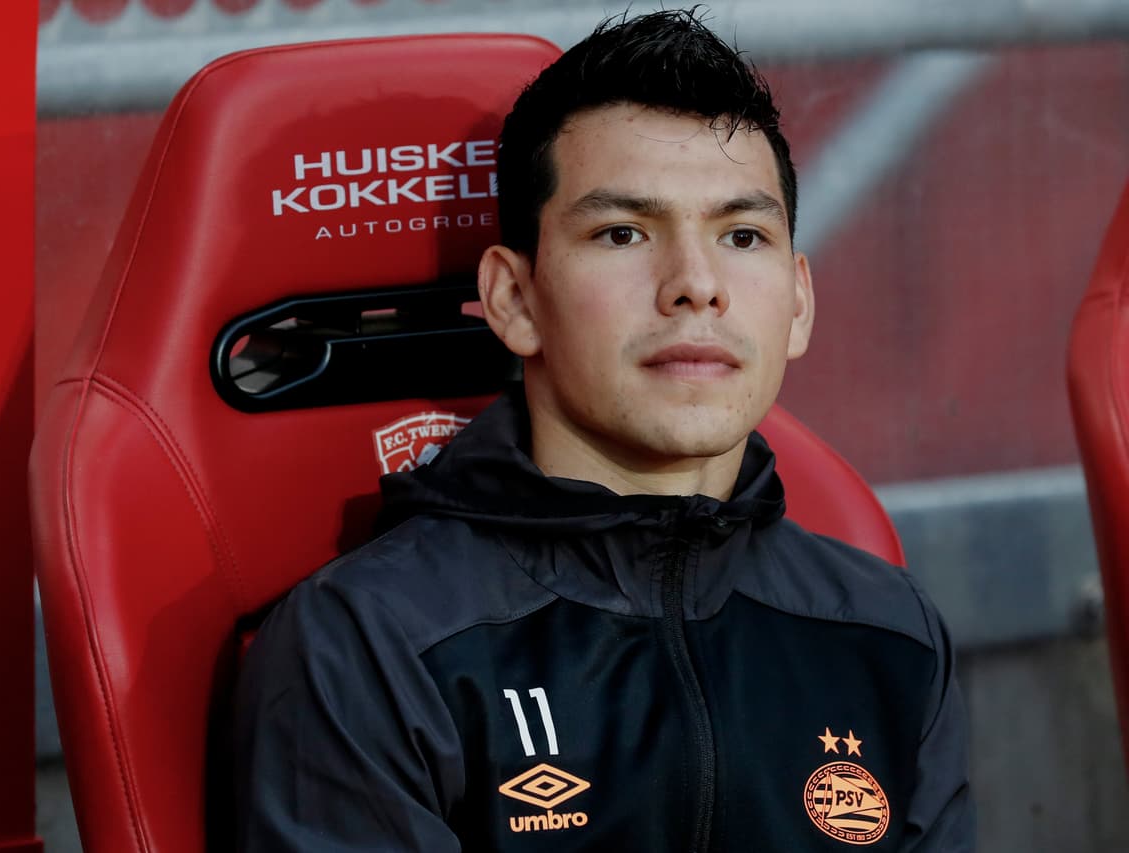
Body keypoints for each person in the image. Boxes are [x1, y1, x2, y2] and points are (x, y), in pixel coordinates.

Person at [235, 10, 973, 851]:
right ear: (514, 299)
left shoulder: (894, 636)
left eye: (742, 234)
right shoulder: (367, 645)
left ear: (798, 301)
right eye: (623, 232)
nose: (696, 284)